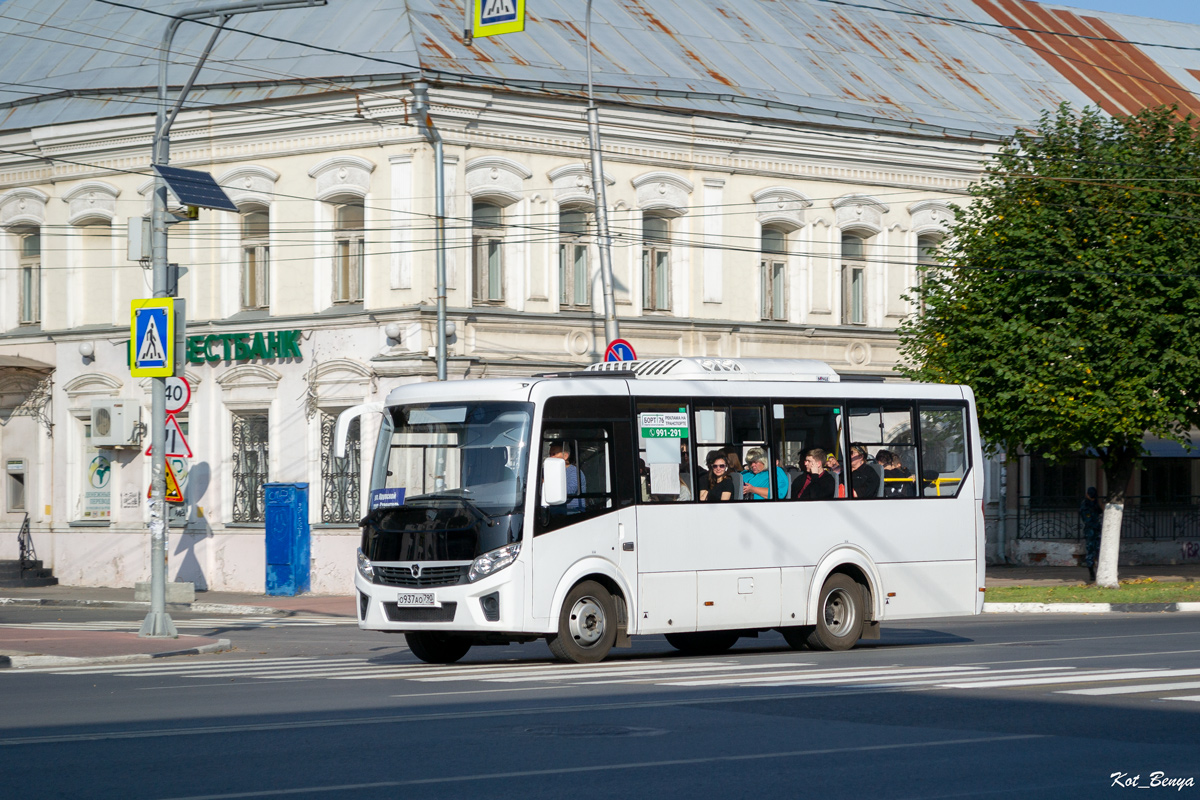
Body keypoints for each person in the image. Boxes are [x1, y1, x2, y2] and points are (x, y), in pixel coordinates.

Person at [548, 442, 586, 512]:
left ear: (565, 456)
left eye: (553, 454)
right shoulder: (554, 472)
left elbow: (569, 493)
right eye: (550, 454)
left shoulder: (574, 472)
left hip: (572, 513)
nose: (550, 457)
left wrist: (547, 484)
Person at [1079, 487, 1103, 582]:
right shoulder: (1086, 504)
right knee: (1091, 551)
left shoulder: (1091, 503)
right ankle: (1092, 573)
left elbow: (1099, 511)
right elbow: (1087, 519)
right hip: (1092, 530)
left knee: (1096, 551)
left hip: (1094, 530)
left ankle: (1095, 572)